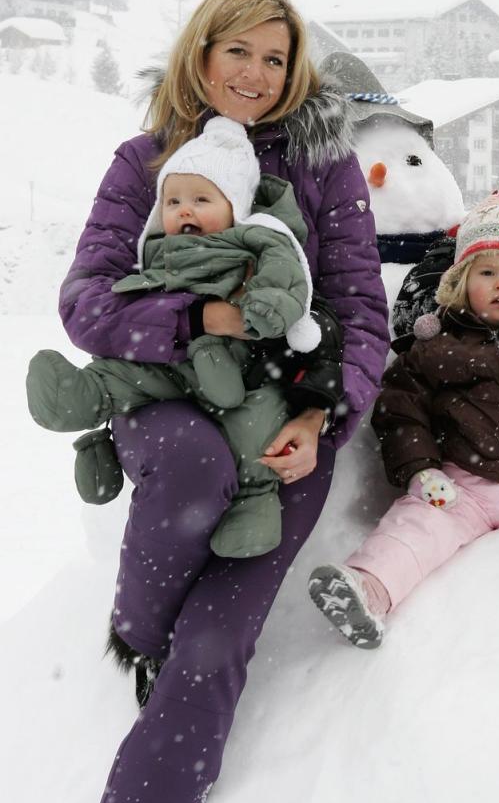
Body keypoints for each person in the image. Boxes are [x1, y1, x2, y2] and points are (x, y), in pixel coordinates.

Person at [57, 0, 390, 803]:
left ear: (295, 75)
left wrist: (324, 407)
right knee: (195, 465)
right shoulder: (144, 162)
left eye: (274, 58)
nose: (254, 73)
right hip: (164, 402)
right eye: (236, 51)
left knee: (216, 644)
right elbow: (84, 299)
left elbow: (360, 308)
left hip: (286, 421)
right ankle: (136, 625)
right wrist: (195, 322)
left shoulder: (328, 173)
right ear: (200, 55)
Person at [308, 182, 499, 648]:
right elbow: (400, 411)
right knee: (417, 527)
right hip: (462, 481)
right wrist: (419, 470)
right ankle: (367, 588)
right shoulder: (435, 347)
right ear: (460, 282)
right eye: (487, 272)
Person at [27, 115, 342, 559]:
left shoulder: (256, 240)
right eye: (173, 201)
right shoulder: (155, 249)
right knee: (124, 375)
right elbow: (117, 301)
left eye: (201, 199)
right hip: (171, 363)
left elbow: (286, 278)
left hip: (241, 364)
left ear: (235, 205)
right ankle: (83, 398)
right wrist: (171, 318)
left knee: (256, 426)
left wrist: (266, 306)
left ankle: (254, 503)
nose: (184, 210)